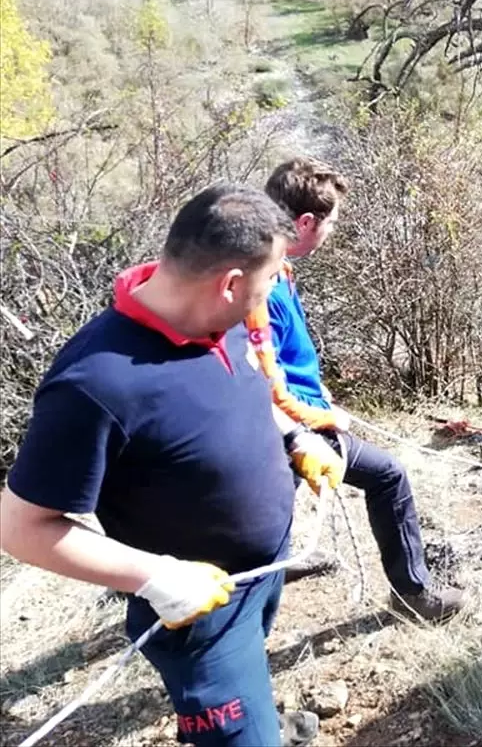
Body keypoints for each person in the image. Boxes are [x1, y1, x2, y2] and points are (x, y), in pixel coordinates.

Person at [0, 184, 345, 747]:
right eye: (269, 279)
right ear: (230, 282)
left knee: (250, 687)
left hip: (261, 571)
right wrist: (157, 578)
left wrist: (295, 438)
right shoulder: (94, 385)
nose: (273, 290)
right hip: (196, 615)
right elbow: (19, 528)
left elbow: (246, 394)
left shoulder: (220, 316)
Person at [245, 156, 464, 623]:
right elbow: (257, 379)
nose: (332, 232)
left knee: (267, 516)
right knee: (388, 477)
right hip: (290, 427)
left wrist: (317, 389)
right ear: (306, 222)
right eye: (331, 222)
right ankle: (414, 597)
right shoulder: (258, 282)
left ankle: (269, 560)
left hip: (298, 416)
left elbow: (281, 354)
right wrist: (313, 422)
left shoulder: (272, 262)